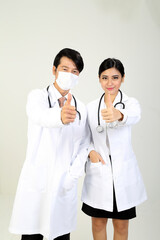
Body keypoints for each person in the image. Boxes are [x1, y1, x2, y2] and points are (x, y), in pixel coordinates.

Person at [9, 48, 89, 240]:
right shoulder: (37, 97)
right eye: (65, 69)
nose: (69, 75)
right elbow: (39, 115)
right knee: (32, 233)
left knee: (60, 234)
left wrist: (73, 175)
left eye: (75, 71)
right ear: (54, 70)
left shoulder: (81, 108)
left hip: (63, 182)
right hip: (38, 179)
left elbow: (84, 144)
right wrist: (60, 116)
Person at [81, 58, 147, 240]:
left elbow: (134, 116)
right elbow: (84, 138)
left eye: (115, 77)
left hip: (123, 171)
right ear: (99, 79)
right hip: (99, 168)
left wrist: (119, 115)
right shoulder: (91, 107)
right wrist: (90, 152)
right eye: (105, 77)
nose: (110, 83)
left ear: (123, 78)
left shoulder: (131, 103)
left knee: (121, 224)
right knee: (98, 222)